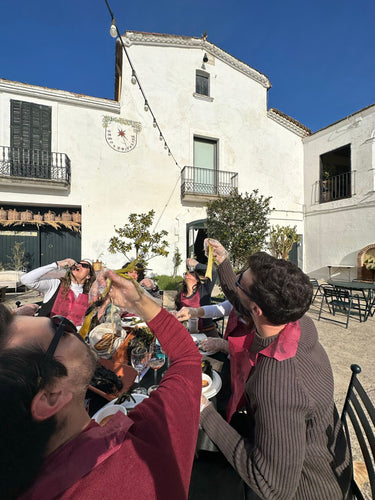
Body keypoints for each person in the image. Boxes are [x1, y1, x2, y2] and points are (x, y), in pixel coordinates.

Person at [0, 268, 201, 500]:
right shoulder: (143, 450)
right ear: (50, 397)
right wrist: (141, 302)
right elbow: (187, 359)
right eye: (60, 327)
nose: (72, 328)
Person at [199, 239, 352, 500]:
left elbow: (272, 486)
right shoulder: (299, 322)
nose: (236, 283)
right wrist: (223, 261)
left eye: (240, 281)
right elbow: (241, 301)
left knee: (198, 474)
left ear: (257, 310)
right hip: (314, 455)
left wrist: (203, 411)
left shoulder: (276, 381)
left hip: (308, 490)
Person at [20, 259, 96, 326]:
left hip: (71, 339)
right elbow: (26, 280)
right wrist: (57, 264)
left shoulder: (89, 296)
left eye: (84, 265)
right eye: (78, 263)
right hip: (46, 337)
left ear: (88, 276)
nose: (79, 265)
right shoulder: (55, 285)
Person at [175, 258, 219, 337]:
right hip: (188, 333)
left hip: (207, 332)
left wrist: (196, 265)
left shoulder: (204, 289)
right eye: (187, 273)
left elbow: (214, 273)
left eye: (192, 274)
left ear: (197, 280)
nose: (188, 274)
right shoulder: (181, 295)